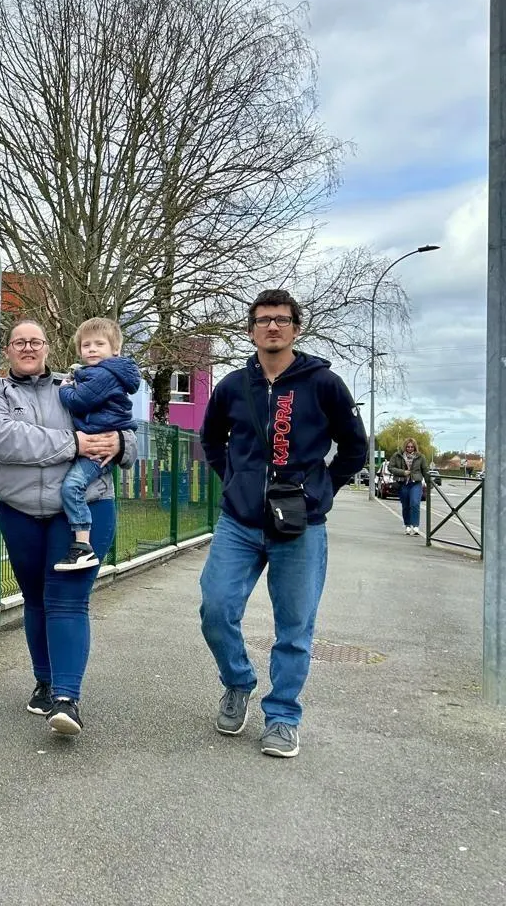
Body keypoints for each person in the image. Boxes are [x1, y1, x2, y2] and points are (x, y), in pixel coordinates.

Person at [198, 289, 367, 759]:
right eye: (263, 319)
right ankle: (238, 681)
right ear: (250, 330)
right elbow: (211, 440)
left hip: (301, 524)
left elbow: (355, 448)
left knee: (294, 626)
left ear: (296, 327)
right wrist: (237, 483)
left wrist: (322, 489)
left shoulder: (324, 384)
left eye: (282, 319)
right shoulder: (233, 386)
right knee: (215, 608)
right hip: (240, 522)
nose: (272, 326)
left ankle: (282, 716)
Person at [0, 319, 137, 735]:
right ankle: (44, 683)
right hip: (20, 511)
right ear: (8, 350)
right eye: (19, 342)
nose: (28, 348)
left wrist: (122, 443)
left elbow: (125, 427)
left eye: (36, 341)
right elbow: (1, 438)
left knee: (66, 599)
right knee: (35, 598)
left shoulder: (77, 384)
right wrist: (74, 443)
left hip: (84, 510)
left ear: (47, 347)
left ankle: (67, 699)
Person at [55, 317, 141, 571]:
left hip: (98, 445)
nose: (91, 349)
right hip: (98, 438)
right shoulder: (101, 372)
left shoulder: (105, 373)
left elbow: (80, 400)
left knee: (72, 486)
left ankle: (83, 545)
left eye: (99, 344)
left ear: (115, 349)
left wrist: (65, 389)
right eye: (86, 345)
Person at [388, 438, 429, 536]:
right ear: (405, 447)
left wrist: (429, 483)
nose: (410, 449)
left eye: (412, 447)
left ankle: (415, 526)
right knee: (405, 505)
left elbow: (425, 470)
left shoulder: (420, 457)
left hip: (416, 483)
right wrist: (403, 472)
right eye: (408, 447)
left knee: (415, 503)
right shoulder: (397, 456)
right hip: (403, 483)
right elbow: (390, 467)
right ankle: (407, 526)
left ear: (415, 447)